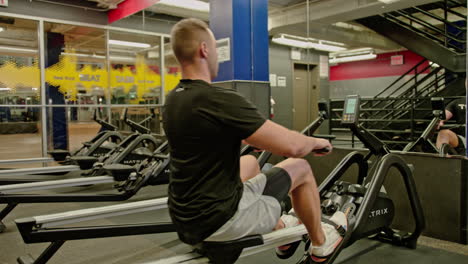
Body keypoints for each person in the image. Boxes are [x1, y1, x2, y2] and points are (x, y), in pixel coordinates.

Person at [162, 18, 346, 262]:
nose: (218, 55)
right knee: (300, 167)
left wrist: (245, 138)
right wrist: (315, 143)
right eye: (215, 48)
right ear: (204, 50)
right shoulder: (218, 99)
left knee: (249, 163)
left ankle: (282, 230)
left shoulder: (173, 99)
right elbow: (293, 146)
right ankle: (321, 244)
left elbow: (205, 142)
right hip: (220, 220)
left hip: (184, 217)